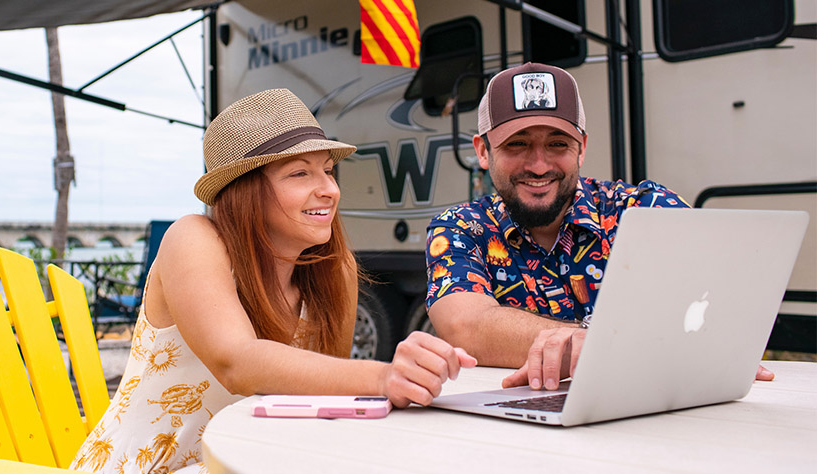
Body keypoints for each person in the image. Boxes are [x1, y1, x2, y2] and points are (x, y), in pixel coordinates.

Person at [72, 88, 475, 474]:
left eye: (328, 171)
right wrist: (383, 376)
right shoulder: (193, 239)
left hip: (253, 463)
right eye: (300, 173)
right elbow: (236, 361)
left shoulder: (336, 270)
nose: (329, 190)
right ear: (244, 190)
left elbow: (323, 395)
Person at [424, 62, 772, 395]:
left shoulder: (644, 209)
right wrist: (605, 343)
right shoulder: (461, 227)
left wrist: (596, 344)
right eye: (517, 143)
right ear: (483, 151)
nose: (539, 165)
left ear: (582, 149)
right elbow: (464, 327)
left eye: (557, 143)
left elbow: (722, 313)